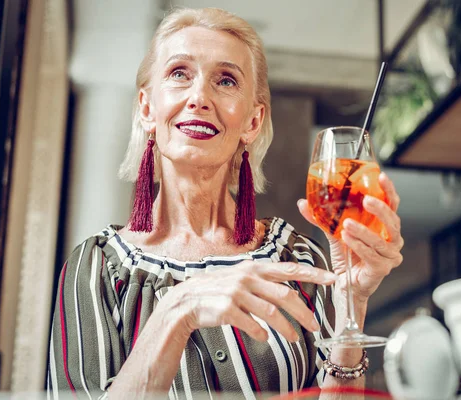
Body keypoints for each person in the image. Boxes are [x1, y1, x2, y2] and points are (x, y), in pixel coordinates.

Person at [47, 7, 404, 399]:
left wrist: (351, 303)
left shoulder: (298, 258)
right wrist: (178, 308)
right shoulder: (96, 267)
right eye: (179, 73)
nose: (199, 97)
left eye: (226, 80)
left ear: (252, 122)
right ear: (148, 109)